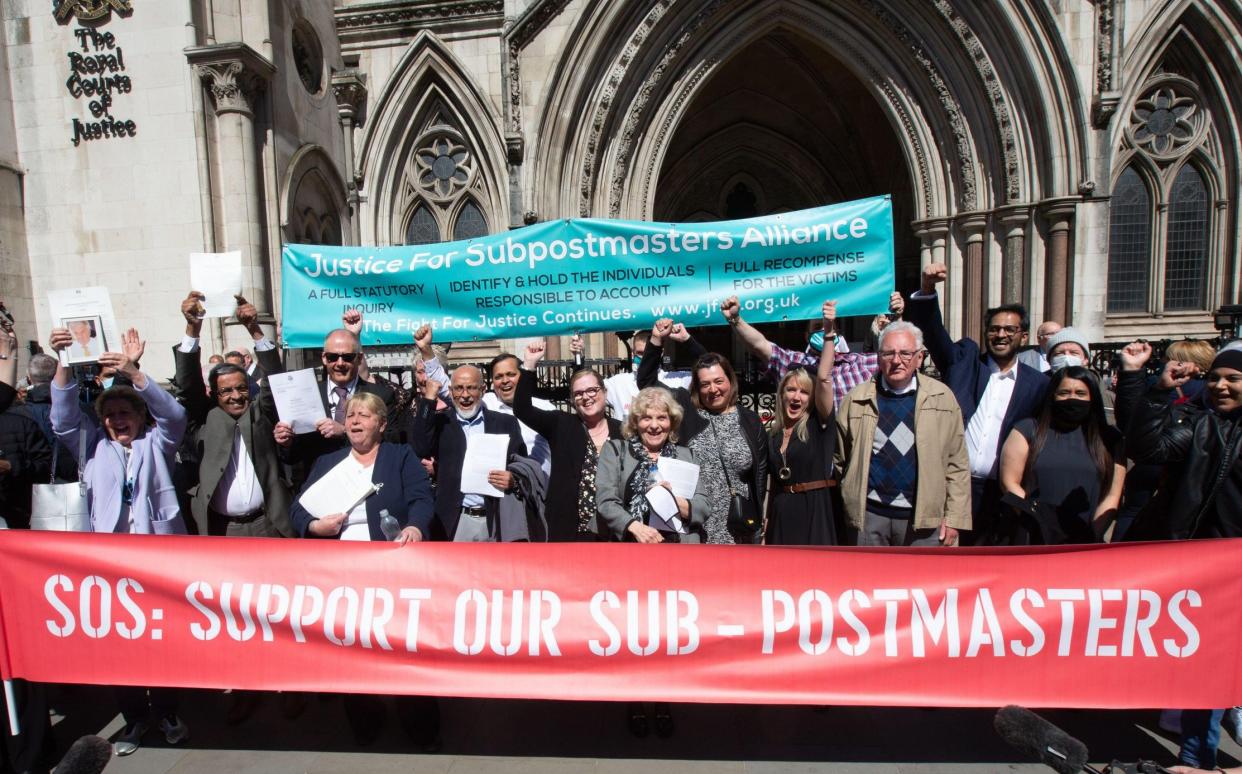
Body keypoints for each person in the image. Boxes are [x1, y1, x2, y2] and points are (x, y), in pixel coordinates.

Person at [47, 325, 190, 756]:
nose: (118, 418)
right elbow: (61, 419)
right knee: (117, 646)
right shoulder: (90, 447)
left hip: (156, 560)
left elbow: (176, 416)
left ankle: (165, 711)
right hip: (107, 565)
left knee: (159, 641)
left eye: (127, 410)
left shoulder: (156, 443)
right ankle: (133, 721)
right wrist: (63, 361)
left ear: (140, 415)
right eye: (111, 414)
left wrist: (135, 373)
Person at [288, 391, 439, 749]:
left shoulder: (400, 457)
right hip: (343, 578)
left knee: (404, 651)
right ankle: (365, 719)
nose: (355, 420)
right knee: (351, 653)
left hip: (394, 573)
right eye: (351, 414)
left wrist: (416, 527)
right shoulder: (328, 463)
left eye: (365, 415)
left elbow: (421, 499)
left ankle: (419, 723)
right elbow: (298, 508)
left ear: (382, 425)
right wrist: (313, 526)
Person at [1124, 343, 1242, 769]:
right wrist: (1156, 392)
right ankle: (1196, 759)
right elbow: (1148, 448)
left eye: (1233, 379)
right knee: (1206, 668)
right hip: (1206, 569)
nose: (1221, 386)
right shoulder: (1200, 425)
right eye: (1215, 378)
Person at [906, 261, 1048, 544]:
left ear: (1023, 335)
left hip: (1005, 492)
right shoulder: (965, 363)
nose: (1001, 335)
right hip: (959, 489)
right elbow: (934, 334)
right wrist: (927, 289)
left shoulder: (1038, 384)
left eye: (1010, 329)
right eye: (994, 329)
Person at [596, 385, 709, 739]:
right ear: (635, 421)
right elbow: (605, 500)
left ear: (672, 421)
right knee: (635, 634)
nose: (655, 424)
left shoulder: (686, 456)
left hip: (675, 559)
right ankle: (634, 699)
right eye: (647, 417)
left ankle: (663, 699)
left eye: (662, 417)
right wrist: (634, 527)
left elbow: (704, 505)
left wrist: (685, 505)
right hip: (632, 556)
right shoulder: (616, 451)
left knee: (666, 635)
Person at [835, 321, 970, 546]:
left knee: (921, 581)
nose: (897, 361)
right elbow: (842, 460)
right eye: (889, 353)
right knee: (871, 580)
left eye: (906, 353)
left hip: (925, 519)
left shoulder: (942, 398)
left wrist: (955, 517)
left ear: (920, 357)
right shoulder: (856, 399)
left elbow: (957, 463)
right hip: (869, 517)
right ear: (878, 357)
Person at [174, 292, 295, 540]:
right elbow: (187, 387)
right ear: (215, 394)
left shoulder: (260, 414)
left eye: (241, 388)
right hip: (222, 530)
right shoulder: (206, 419)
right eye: (226, 391)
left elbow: (276, 380)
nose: (236, 396)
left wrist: (255, 330)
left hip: (268, 525)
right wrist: (192, 328)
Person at [637, 318, 767, 544]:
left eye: (719, 381)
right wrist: (657, 340)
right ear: (697, 387)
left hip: (741, 526)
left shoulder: (750, 420)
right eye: (705, 384)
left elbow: (761, 472)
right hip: (695, 528)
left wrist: (689, 341)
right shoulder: (686, 408)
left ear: (730, 380)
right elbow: (646, 381)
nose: (713, 389)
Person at [996, 366, 1125, 543]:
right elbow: (1009, 482)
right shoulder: (1027, 430)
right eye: (1064, 392)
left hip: (1085, 541)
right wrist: (1041, 523)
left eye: (1080, 393)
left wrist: (1093, 533)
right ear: (1052, 396)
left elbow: (1112, 496)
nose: (1072, 398)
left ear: (1092, 397)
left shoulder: (1110, 438)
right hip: (1031, 534)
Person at [514, 340, 624, 540]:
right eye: (579, 394)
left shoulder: (623, 431)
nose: (586, 397)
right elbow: (522, 409)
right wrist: (529, 365)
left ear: (604, 393)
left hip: (614, 530)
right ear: (573, 401)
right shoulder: (561, 424)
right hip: (570, 530)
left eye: (592, 390)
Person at [722, 292, 902, 410]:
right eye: (818, 326)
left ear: (837, 332)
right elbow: (759, 345)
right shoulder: (795, 364)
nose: (825, 330)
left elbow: (899, 355)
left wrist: (897, 317)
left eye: (829, 325)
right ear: (807, 335)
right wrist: (736, 320)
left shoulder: (861, 363)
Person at [410, 361, 527, 541]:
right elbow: (420, 447)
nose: (464, 395)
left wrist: (513, 479)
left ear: (482, 389)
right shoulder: (442, 423)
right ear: (450, 391)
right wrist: (429, 400)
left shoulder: (505, 423)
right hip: (455, 521)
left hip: (496, 518)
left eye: (471, 388)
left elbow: (521, 465)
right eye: (458, 389)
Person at [274, 323, 400, 483]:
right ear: (324, 358)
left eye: (347, 357)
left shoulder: (380, 395)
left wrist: (346, 432)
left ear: (359, 358)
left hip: (366, 485)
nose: (340, 363)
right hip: (319, 487)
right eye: (333, 357)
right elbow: (292, 457)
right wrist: (286, 442)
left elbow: (392, 442)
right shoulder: (305, 395)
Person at [765, 300, 840, 545]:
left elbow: (824, 378)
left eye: (804, 392)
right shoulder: (775, 433)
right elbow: (774, 483)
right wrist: (768, 517)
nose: (796, 397)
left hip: (815, 511)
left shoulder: (819, 425)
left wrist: (828, 334)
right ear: (782, 393)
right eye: (791, 390)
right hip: (782, 513)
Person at [603, 328, 698, 421]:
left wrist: (687, 339)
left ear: (660, 353)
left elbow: (708, 368)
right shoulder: (617, 383)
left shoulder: (677, 380)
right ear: (633, 353)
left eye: (648, 353)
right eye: (640, 353)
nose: (645, 358)